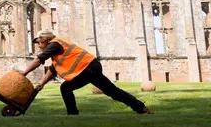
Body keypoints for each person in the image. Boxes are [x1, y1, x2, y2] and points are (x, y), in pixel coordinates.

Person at [22, 30, 153, 116]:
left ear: (44, 39)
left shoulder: (54, 44)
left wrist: (24, 73)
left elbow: (39, 60)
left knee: (65, 88)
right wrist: (42, 83)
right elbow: (53, 69)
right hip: (91, 67)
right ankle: (141, 108)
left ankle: (73, 115)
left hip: (88, 68)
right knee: (113, 92)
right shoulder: (56, 46)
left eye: (37, 41)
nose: (37, 44)